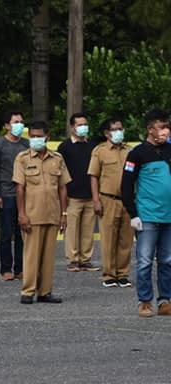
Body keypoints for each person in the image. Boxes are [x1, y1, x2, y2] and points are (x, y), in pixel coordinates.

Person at [120, 108, 171, 318]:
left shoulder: (170, 150)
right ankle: (144, 301)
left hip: (169, 216)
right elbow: (126, 186)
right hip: (148, 216)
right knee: (144, 261)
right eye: (161, 127)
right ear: (150, 129)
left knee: (167, 260)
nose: (165, 131)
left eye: (167, 127)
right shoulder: (137, 153)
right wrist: (133, 214)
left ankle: (165, 300)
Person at [14, 120, 70, 305]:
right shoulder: (23, 158)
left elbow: (62, 188)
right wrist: (22, 214)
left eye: (39, 136)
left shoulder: (57, 158)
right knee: (31, 255)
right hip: (32, 214)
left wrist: (64, 214)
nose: (36, 139)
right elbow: (20, 188)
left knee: (48, 256)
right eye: (33, 136)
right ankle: (28, 291)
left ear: (48, 137)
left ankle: (45, 291)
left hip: (52, 214)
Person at [88, 117, 133, 288]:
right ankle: (109, 274)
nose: (119, 132)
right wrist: (96, 200)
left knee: (125, 239)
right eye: (115, 129)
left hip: (127, 200)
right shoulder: (100, 151)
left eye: (121, 128)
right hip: (108, 199)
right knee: (108, 238)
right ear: (107, 133)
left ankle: (122, 273)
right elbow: (93, 176)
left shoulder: (130, 151)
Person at [0, 110, 28, 281]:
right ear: (6, 126)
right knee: (6, 234)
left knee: (23, 233)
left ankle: (20, 268)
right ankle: (6, 269)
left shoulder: (27, 144)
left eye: (21, 121)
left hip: (25, 195)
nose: (18, 125)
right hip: (6, 194)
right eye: (15, 122)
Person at [58, 112, 98, 272]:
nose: (83, 127)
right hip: (72, 195)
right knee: (72, 230)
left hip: (90, 194)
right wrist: (63, 195)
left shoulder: (92, 145)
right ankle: (73, 260)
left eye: (85, 124)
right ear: (72, 127)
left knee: (88, 230)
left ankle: (85, 259)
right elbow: (60, 172)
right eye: (79, 125)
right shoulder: (65, 147)